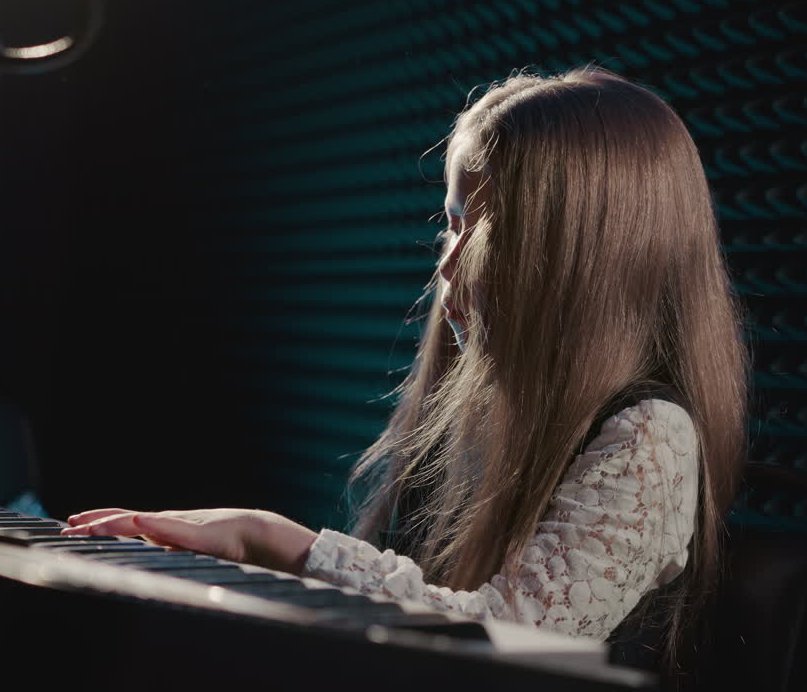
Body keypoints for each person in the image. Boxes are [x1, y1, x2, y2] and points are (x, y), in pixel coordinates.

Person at [62, 66, 750, 677]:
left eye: (492, 234)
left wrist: (272, 540)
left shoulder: (651, 436)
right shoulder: (482, 414)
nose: (449, 267)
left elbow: (513, 633)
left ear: (589, 262)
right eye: (453, 224)